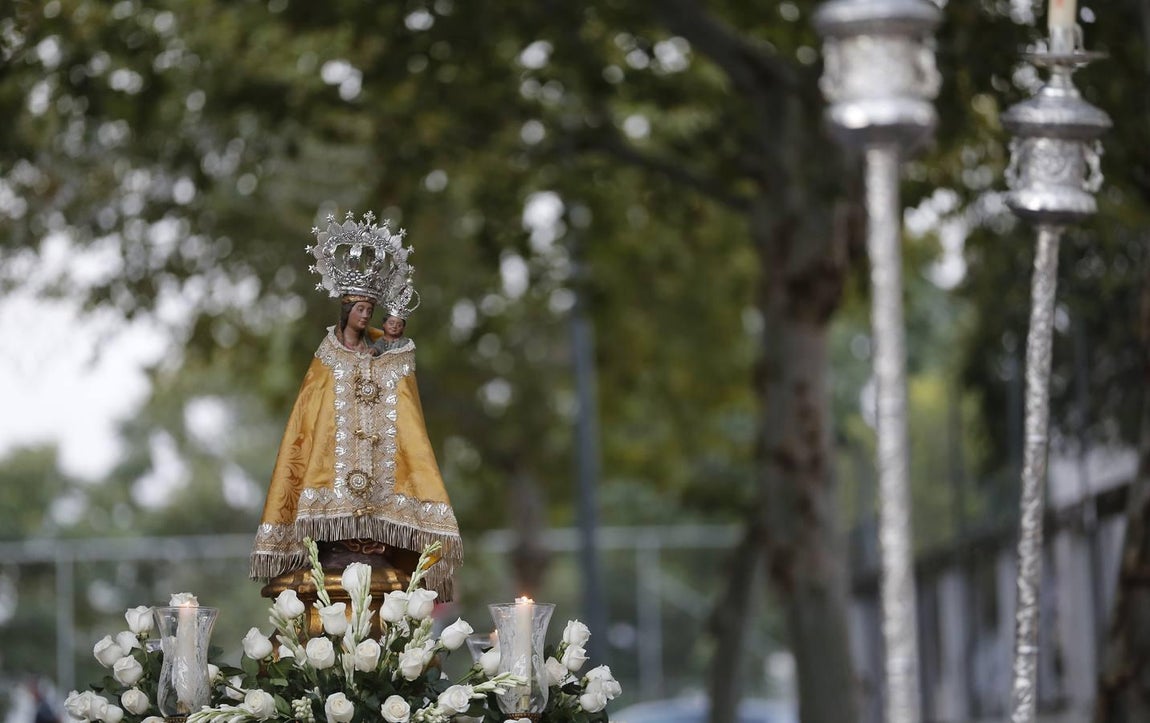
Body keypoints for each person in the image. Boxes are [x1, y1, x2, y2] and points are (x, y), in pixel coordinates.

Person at [249, 213, 460, 599]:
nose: (366, 315)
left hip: (379, 470)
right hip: (334, 473)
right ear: (346, 309)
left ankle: (373, 540)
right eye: (360, 308)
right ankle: (337, 541)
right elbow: (310, 423)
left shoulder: (384, 354)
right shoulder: (326, 362)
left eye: (370, 309)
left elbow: (406, 414)